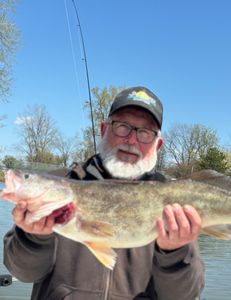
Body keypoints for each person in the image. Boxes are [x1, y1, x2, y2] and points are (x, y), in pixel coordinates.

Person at [4, 86, 204, 300]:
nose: (131, 139)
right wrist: (34, 237)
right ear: (103, 129)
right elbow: (23, 273)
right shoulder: (61, 183)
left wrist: (174, 253)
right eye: (122, 126)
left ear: (158, 145)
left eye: (145, 132)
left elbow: (184, 296)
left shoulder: (174, 198)